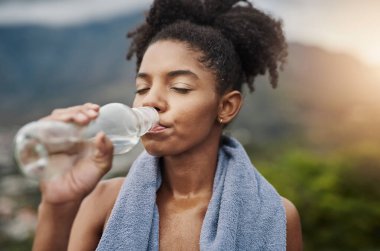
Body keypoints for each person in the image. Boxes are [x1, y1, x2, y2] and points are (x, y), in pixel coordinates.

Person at [32, 0, 302, 250]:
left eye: (179, 87)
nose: (151, 100)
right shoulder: (102, 202)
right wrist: (56, 207)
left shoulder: (276, 217)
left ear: (226, 107)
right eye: (143, 87)